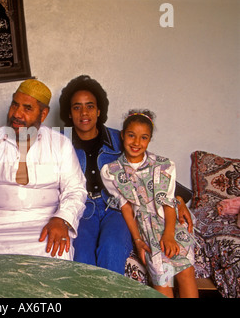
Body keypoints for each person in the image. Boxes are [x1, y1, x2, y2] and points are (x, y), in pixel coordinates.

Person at [59, 75, 194, 275]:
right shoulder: (60, 141)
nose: (84, 112)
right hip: (82, 209)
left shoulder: (120, 137)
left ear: (99, 110)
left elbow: (151, 168)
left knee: (111, 248)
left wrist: (178, 198)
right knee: (82, 258)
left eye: (90, 106)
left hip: (117, 208)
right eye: (77, 107)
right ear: (69, 113)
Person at [0, 79, 87, 260]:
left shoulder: (60, 144)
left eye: (27, 108)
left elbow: (75, 190)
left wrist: (61, 219)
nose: (17, 114)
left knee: (58, 254)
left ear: (43, 114)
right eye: (14, 105)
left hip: (44, 225)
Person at [100, 109, 198, 298]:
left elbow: (168, 202)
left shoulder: (163, 166)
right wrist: (137, 240)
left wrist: (169, 234)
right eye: (131, 135)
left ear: (149, 139)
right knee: (163, 279)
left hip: (170, 224)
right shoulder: (112, 171)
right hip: (147, 229)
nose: (136, 143)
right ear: (122, 135)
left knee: (186, 272)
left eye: (143, 137)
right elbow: (126, 207)